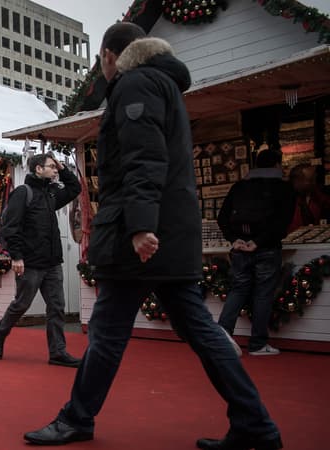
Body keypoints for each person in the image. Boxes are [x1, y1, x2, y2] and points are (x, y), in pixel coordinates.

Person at [23, 24, 282, 450]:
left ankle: (77, 419)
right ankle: (256, 425)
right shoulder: (164, 84)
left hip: (138, 238)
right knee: (199, 330)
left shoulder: (135, 83)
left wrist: (142, 225)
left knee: (107, 333)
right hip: (168, 236)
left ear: (109, 55)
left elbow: (144, 160)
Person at [0, 152, 82, 367]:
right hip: (30, 262)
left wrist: (63, 167)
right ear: (38, 169)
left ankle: (57, 352)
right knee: (22, 304)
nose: (55, 170)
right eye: (51, 166)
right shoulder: (23, 192)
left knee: (57, 306)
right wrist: (17, 256)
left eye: (55, 167)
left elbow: (75, 189)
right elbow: (10, 227)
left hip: (52, 262)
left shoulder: (50, 194)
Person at [217, 149, 295, 356]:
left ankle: (222, 336)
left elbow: (222, 217)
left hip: (240, 248)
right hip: (267, 248)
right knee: (263, 294)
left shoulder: (240, 186)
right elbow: (282, 223)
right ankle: (258, 344)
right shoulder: (284, 188)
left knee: (238, 289)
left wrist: (235, 240)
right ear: (277, 165)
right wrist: (258, 242)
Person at [287, 163, 330, 233]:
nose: (314, 182)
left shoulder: (319, 195)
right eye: (310, 180)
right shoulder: (285, 199)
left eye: (314, 178)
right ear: (297, 181)